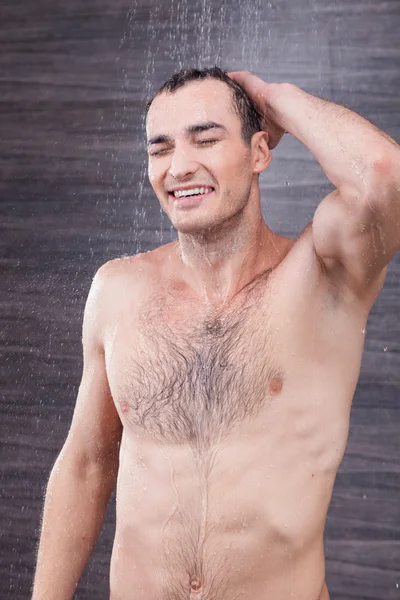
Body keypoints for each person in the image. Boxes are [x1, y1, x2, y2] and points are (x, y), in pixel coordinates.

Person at [32, 66, 400, 600]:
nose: (180, 167)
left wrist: (278, 100)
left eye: (205, 139)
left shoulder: (326, 276)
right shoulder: (118, 290)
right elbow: (86, 466)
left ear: (259, 154)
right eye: (160, 149)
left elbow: (385, 174)